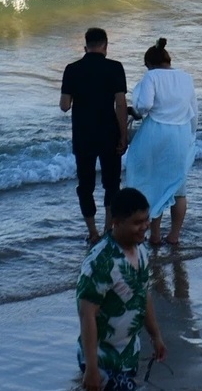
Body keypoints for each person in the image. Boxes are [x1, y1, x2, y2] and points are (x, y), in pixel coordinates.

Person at [76, 187, 166, 391]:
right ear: (116, 222)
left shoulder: (141, 251)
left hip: (128, 355)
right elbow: (86, 314)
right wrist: (91, 368)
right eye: (137, 222)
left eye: (146, 219)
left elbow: (144, 295)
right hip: (101, 359)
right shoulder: (101, 262)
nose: (145, 226)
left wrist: (155, 336)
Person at [124, 38, 198, 248]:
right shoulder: (186, 77)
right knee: (179, 188)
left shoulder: (152, 76)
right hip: (181, 135)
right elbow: (194, 112)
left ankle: (155, 235)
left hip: (156, 135)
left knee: (153, 185)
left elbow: (145, 105)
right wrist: (191, 135)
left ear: (150, 64)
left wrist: (135, 111)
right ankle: (174, 236)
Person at [61, 28, 129, 244]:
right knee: (112, 183)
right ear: (105, 46)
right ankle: (108, 228)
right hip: (109, 133)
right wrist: (124, 135)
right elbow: (120, 104)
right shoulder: (115, 67)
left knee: (85, 185)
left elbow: (64, 106)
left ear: (85, 46)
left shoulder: (72, 69)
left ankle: (92, 232)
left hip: (83, 135)